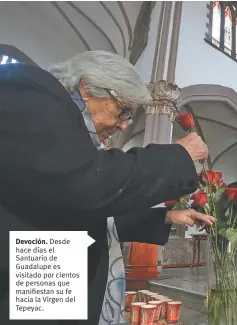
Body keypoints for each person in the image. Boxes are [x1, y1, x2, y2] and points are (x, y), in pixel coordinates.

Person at [0, 51, 214, 325]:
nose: (124, 124)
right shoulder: (33, 91)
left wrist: (164, 216)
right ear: (87, 87)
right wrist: (177, 156)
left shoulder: (76, 135)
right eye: (122, 109)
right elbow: (83, 182)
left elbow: (77, 206)